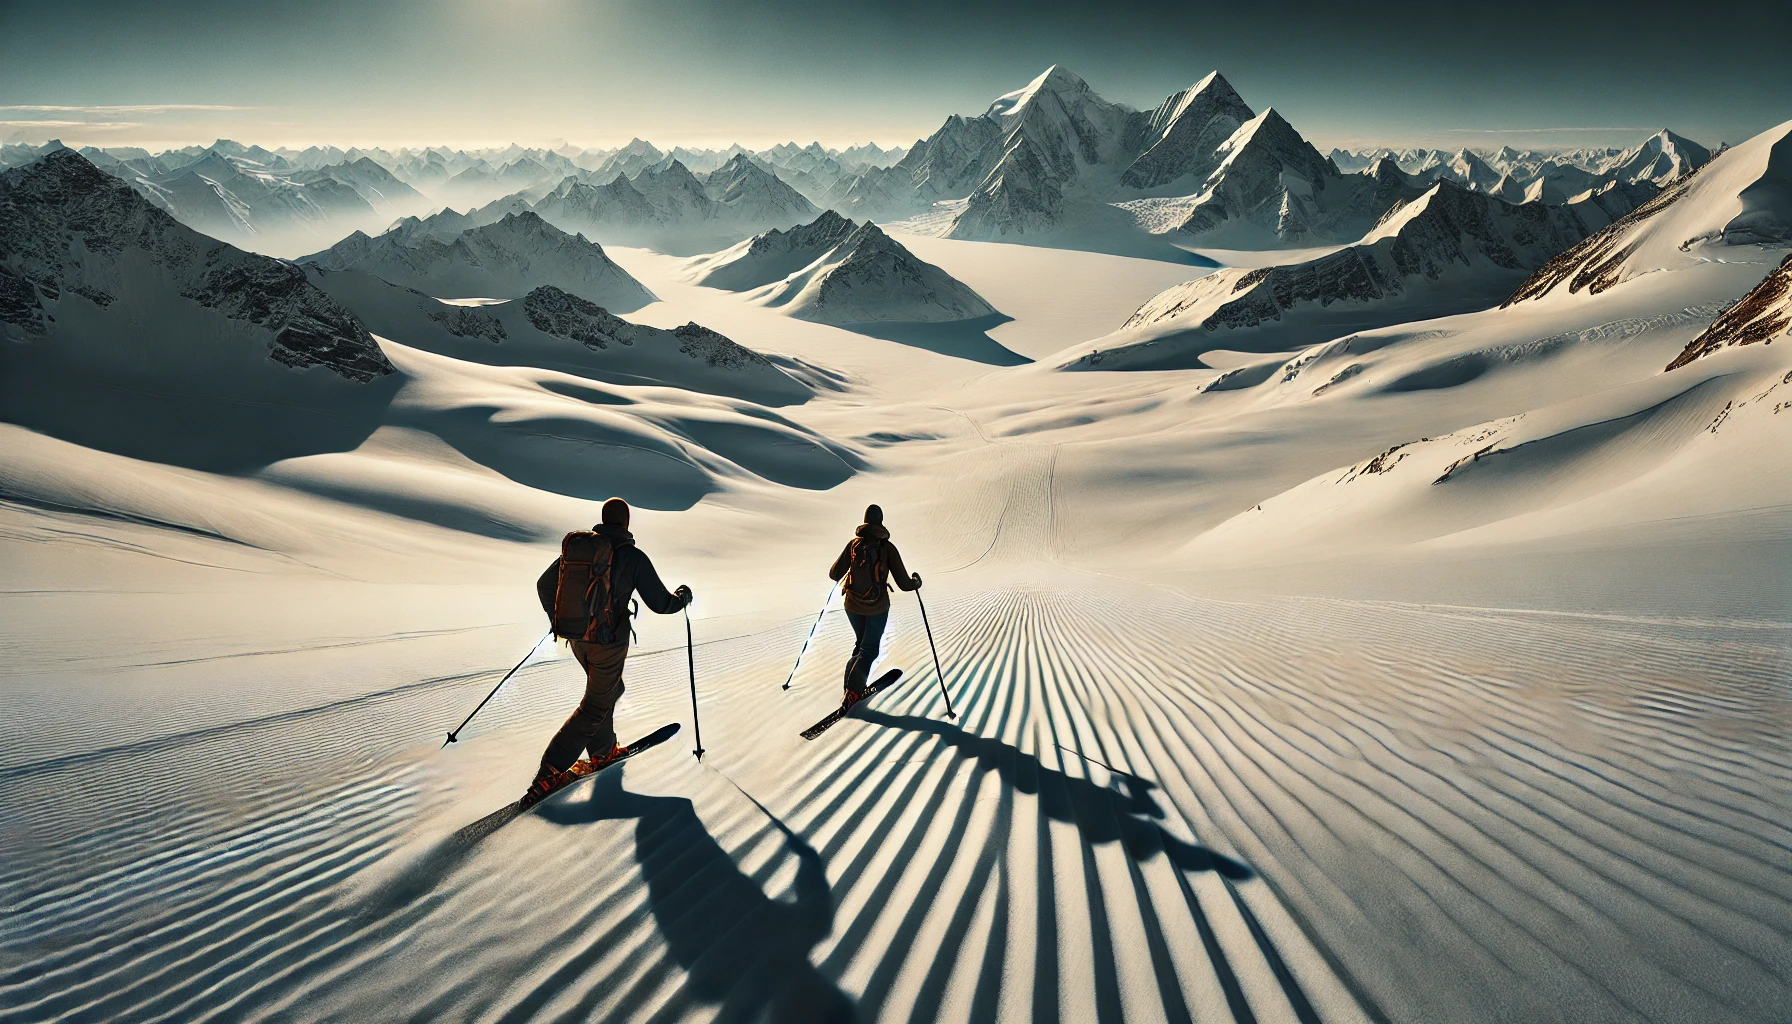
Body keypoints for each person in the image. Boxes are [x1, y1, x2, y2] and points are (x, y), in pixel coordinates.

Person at [524, 497, 690, 804]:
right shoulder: (631, 556)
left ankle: (602, 752)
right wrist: (682, 596)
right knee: (595, 706)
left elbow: (544, 584)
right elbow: (661, 603)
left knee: (609, 690)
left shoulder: (580, 551)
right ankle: (549, 773)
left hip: (578, 641)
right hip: (608, 644)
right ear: (625, 523)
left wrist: (559, 619)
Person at [828, 504, 920, 705]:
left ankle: (849, 687)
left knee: (861, 645)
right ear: (880, 521)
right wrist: (916, 583)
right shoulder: (887, 548)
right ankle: (853, 692)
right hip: (877, 608)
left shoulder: (854, 544)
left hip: (852, 605)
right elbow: (904, 584)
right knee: (869, 649)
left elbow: (834, 574)